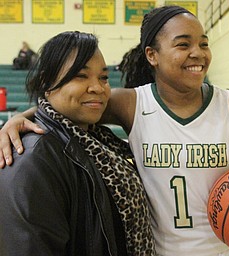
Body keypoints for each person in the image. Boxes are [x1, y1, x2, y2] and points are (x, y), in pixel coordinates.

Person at [0, 6, 229, 256]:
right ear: (153, 55)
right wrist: (19, 119)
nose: (198, 53)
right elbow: (70, 105)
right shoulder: (132, 103)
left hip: (225, 249)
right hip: (156, 250)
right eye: (183, 44)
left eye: (203, 44)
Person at [0, 31, 155, 255]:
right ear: (47, 81)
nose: (98, 88)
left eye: (103, 77)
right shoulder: (33, 159)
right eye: (81, 76)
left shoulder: (95, 141)